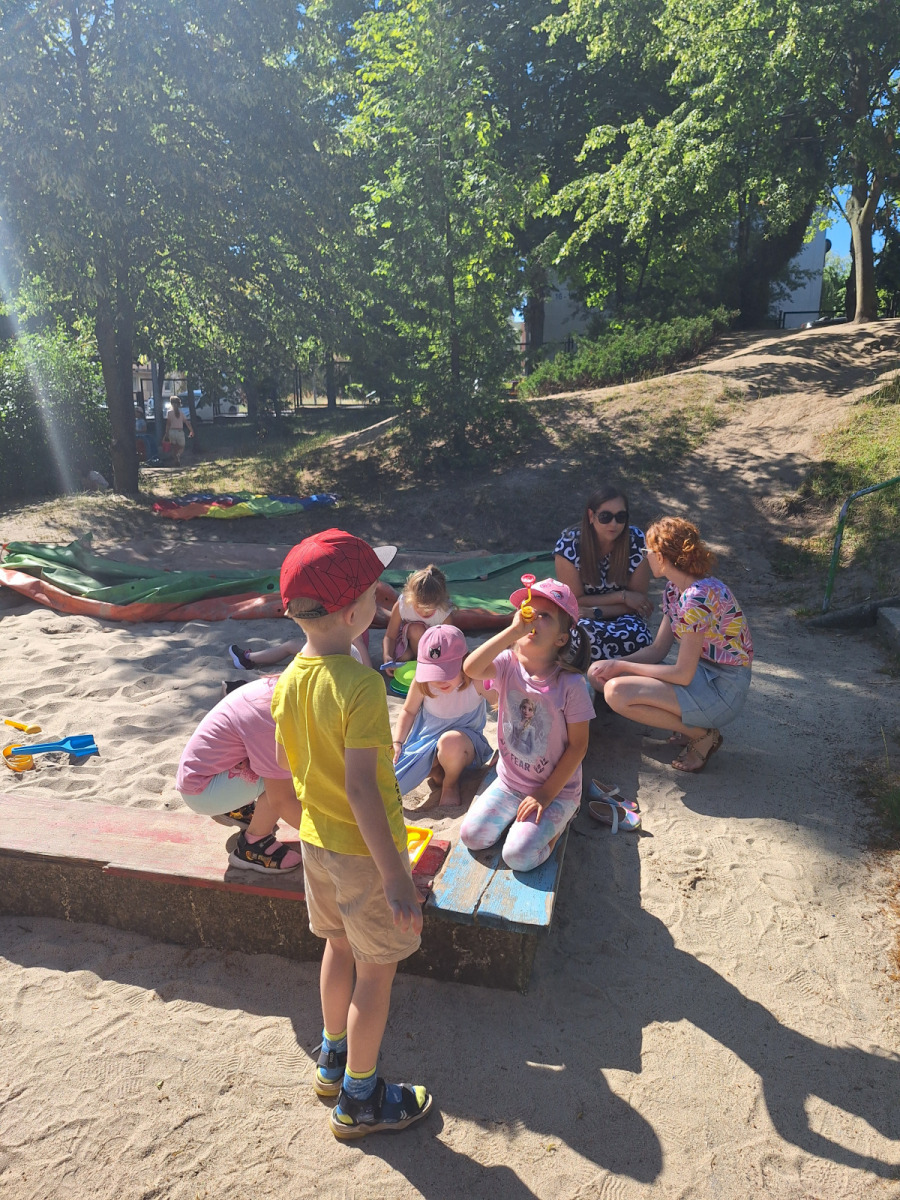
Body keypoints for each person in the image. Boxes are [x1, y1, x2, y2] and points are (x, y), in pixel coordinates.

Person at [271, 529, 432, 1139]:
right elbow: (363, 789)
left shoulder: (289, 679)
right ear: (352, 613)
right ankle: (360, 1099)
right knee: (376, 972)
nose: (381, 600)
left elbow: (288, 762)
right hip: (366, 854)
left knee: (337, 949)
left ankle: (332, 1059)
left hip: (316, 843)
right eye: (374, 593)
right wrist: (396, 878)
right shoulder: (362, 687)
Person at [587, 517, 753, 773]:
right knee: (599, 674)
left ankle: (701, 734)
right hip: (702, 675)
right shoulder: (675, 590)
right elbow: (657, 650)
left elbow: (682, 674)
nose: (645, 557)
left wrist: (621, 666)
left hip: (723, 688)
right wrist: (614, 665)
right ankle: (693, 725)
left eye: (648, 551)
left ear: (661, 556)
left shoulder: (697, 597)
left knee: (616, 692)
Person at [459, 579, 594, 872]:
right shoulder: (507, 663)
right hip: (510, 782)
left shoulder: (571, 684)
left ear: (561, 639)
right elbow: (470, 668)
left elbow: (579, 746)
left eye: (544, 615)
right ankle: (524, 825)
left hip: (556, 791)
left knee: (518, 856)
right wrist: (511, 631)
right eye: (527, 610)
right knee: (472, 837)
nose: (531, 618)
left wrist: (544, 795)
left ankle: (560, 826)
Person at [176, 675, 302, 872]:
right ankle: (254, 846)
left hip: (205, 775)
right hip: (203, 792)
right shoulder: (271, 716)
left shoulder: (276, 690)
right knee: (289, 770)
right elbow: (281, 799)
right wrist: (332, 838)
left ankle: (239, 807)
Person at [391, 625, 494, 807]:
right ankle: (439, 773)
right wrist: (398, 742)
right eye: (434, 673)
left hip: (465, 747)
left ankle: (450, 784)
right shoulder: (423, 683)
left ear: (464, 662)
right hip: (428, 743)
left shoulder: (476, 681)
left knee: (449, 742)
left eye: (447, 672)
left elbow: (504, 708)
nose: (440, 680)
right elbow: (408, 711)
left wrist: (505, 749)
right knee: (394, 781)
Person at [554, 484, 654, 662]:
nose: (614, 524)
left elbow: (638, 603)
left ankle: (613, 667)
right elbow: (575, 601)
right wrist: (622, 596)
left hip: (623, 616)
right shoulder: (569, 544)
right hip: (584, 618)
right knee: (583, 636)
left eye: (621, 517)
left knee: (641, 637)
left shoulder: (637, 541)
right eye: (605, 517)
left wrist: (596, 612)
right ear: (591, 516)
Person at [228, 582, 398, 672]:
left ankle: (248, 658)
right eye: (372, 597)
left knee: (290, 646)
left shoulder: (352, 623)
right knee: (291, 645)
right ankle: (248, 658)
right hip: (334, 652)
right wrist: (358, 641)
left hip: (338, 658)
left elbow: (367, 669)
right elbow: (367, 669)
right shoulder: (350, 625)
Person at [382, 565, 454, 669]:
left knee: (417, 631)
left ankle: (423, 661)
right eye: (418, 607)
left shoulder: (443, 612)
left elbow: (449, 643)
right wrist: (387, 655)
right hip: (407, 642)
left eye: (428, 610)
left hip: (432, 646)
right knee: (404, 656)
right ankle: (419, 659)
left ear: (439, 603)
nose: (423, 612)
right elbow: (390, 636)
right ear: (410, 597)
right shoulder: (403, 604)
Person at [164, 396, 193, 466]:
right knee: (181, 446)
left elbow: (168, 424)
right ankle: (178, 455)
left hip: (171, 432)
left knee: (174, 448)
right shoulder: (181, 413)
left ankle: (176, 460)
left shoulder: (169, 413)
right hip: (179, 431)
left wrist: (166, 433)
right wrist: (191, 430)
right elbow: (187, 423)